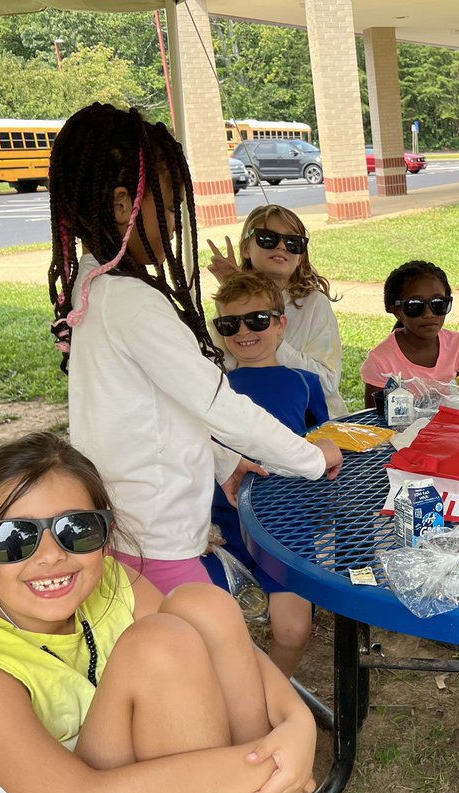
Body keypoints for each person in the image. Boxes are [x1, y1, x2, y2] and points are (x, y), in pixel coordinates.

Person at [0, 432, 415, 793]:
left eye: (77, 531)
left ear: (105, 535)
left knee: (202, 605)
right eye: (13, 539)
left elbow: (229, 646)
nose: (50, 557)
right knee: (158, 644)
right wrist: (267, 760)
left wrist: (297, 724)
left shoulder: (108, 580)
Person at [47, 104, 342, 595]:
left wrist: (225, 463)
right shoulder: (134, 302)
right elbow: (217, 404)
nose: (174, 224)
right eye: (166, 207)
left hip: (125, 526)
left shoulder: (92, 284)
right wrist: (311, 458)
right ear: (124, 205)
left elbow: (154, 410)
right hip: (159, 538)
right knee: (212, 654)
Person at [203, 271, 329, 678]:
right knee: (218, 632)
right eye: (229, 324)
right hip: (223, 522)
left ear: (280, 324)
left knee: (293, 630)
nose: (243, 332)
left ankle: (271, 692)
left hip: (288, 523)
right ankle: (236, 699)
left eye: (257, 320)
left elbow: (325, 452)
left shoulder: (306, 384)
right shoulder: (210, 389)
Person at [207, 204, 348, 418]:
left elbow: (327, 382)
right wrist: (239, 297)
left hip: (314, 422)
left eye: (293, 243)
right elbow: (218, 370)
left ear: (300, 256)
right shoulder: (232, 304)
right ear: (246, 248)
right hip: (252, 419)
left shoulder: (314, 304)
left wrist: (269, 335)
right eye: (268, 239)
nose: (281, 246)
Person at [360, 260, 459, 409]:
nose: (428, 314)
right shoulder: (381, 361)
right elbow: (375, 420)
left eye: (438, 303)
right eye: (415, 306)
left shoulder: (457, 345)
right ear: (398, 311)